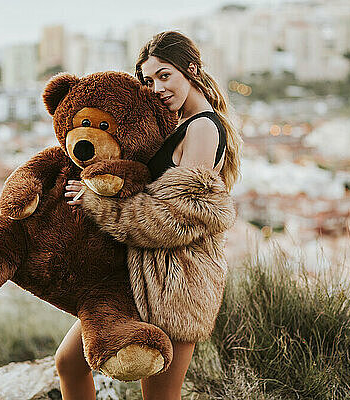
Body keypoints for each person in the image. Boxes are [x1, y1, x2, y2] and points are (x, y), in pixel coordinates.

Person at [58, 30, 242, 400]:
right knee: (69, 363)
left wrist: (98, 204)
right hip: (141, 274)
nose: (155, 87)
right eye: (147, 79)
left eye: (164, 75)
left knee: (158, 395)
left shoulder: (204, 127)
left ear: (191, 70)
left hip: (176, 282)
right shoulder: (177, 124)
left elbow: (178, 217)